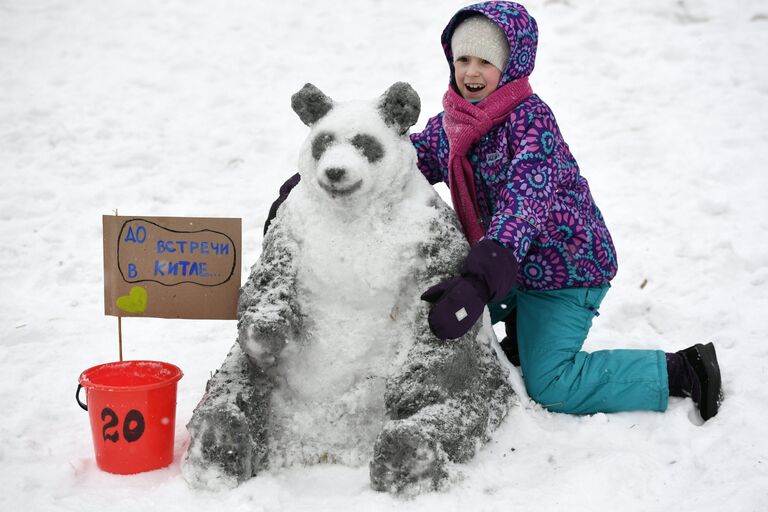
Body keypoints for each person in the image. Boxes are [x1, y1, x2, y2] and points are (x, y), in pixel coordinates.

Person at [264, 1, 722, 421]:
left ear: (512, 65)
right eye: (463, 60)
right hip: (511, 267)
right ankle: (522, 330)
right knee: (429, 295)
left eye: (486, 61)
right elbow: (409, 158)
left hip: (564, 273)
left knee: (551, 385)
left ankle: (681, 371)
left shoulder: (530, 123)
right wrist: (318, 180)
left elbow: (523, 206)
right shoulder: (458, 120)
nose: (472, 72)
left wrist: (480, 281)